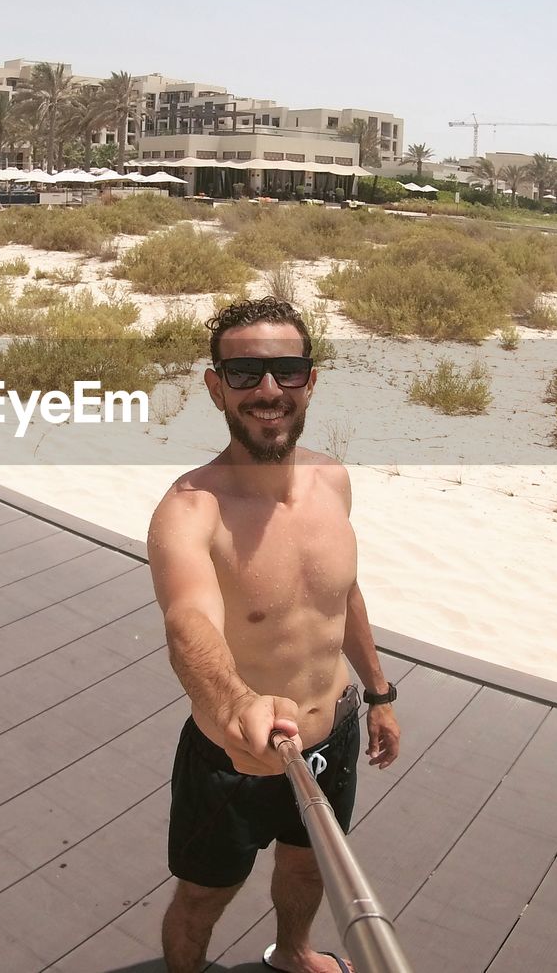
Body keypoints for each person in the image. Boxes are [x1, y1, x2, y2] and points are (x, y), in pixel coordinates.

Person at [147, 297, 400, 973]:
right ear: (214, 386)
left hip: (334, 734)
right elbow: (187, 621)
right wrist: (235, 706)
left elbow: (340, 593)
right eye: (244, 373)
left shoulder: (333, 480)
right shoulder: (189, 507)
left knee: (309, 865)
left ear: (310, 379)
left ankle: (290, 950)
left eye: (287, 370)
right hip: (236, 756)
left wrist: (378, 692)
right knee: (202, 896)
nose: (267, 391)